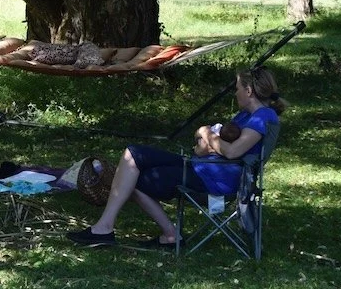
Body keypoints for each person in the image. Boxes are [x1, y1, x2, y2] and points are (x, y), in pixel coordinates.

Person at [68, 67, 284, 248]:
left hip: (213, 181)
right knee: (132, 155)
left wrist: (206, 132)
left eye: (237, 89)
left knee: (134, 179)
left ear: (248, 91)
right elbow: (214, 148)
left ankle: (165, 235)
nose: (235, 93)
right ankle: (106, 228)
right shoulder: (246, 115)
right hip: (200, 166)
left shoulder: (263, 117)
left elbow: (233, 152)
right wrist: (208, 144)